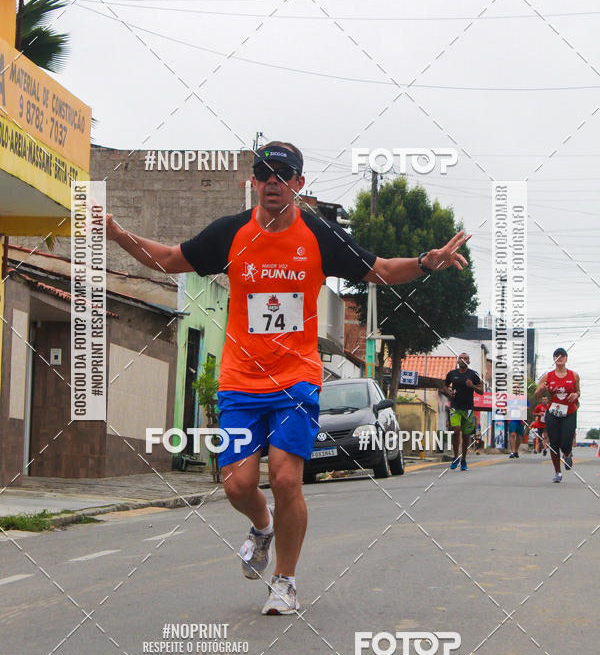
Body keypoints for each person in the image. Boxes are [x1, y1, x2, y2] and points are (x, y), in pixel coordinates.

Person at [106, 141, 470, 614]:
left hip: (296, 379)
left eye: (283, 174)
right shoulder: (230, 234)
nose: (272, 181)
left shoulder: (318, 236)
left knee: (285, 479)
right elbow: (170, 260)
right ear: (253, 182)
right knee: (237, 485)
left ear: (299, 184)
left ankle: (285, 580)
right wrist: (117, 235)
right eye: (264, 173)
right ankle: (262, 527)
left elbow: (378, 269)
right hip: (240, 379)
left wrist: (425, 262)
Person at [534, 347, 580, 483]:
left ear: (566, 359)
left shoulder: (574, 375)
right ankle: (558, 472)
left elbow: (578, 391)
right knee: (554, 443)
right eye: (557, 356)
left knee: (566, 441)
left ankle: (567, 453)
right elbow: (536, 395)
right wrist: (541, 390)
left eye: (562, 356)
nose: (560, 358)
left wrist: (575, 395)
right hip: (553, 413)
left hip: (569, 412)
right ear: (554, 359)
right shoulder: (547, 376)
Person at [443, 352, 484, 471]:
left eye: (466, 358)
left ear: (469, 362)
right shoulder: (452, 374)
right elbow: (444, 386)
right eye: (461, 358)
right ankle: (455, 457)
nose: (463, 360)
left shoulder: (473, 374)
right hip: (455, 407)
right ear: (458, 361)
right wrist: (448, 392)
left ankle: (464, 459)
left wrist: (472, 386)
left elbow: (481, 391)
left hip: (469, 409)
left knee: (466, 435)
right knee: (456, 431)